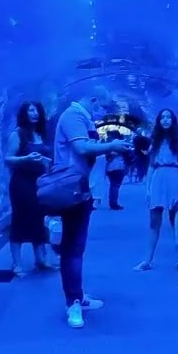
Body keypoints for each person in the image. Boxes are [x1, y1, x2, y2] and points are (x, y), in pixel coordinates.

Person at [53, 94, 129, 328]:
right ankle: (73, 303)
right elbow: (81, 147)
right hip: (70, 188)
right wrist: (112, 146)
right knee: (71, 249)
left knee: (76, 247)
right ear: (92, 99)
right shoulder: (74, 115)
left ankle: (78, 294)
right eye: (101, 104)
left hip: (80, 188)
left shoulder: (81, 116)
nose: (102, 110)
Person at [133, 109, 178, 271]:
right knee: (154, 221)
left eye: (168, 117)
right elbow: (150, 166)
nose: (165, 120)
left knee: (175, 220)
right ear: (158, 121)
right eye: (162, 117)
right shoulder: (154, 140)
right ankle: (147, 260)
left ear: (173, 120)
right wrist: (148, 188)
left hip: (174, 177)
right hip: (158, 177)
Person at [4, 102, 54, 275]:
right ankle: (16, 263)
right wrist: (26, 158)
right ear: (24, 113)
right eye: (30, 110)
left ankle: (41, 259)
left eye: (36, 110)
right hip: (22, 183)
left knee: (40, 219)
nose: (34, 113)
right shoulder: (17, 134)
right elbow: (8, 159)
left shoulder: (40, 134)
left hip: (39, 182)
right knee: (20, 219)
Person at [104, 146, 126, 211]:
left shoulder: (109, 148)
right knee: (115, 186)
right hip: (118, 168)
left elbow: (107, 159)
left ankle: (112, 203)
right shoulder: (122, 149)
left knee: (113, 186)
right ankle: (114, 203)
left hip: (110, 168)